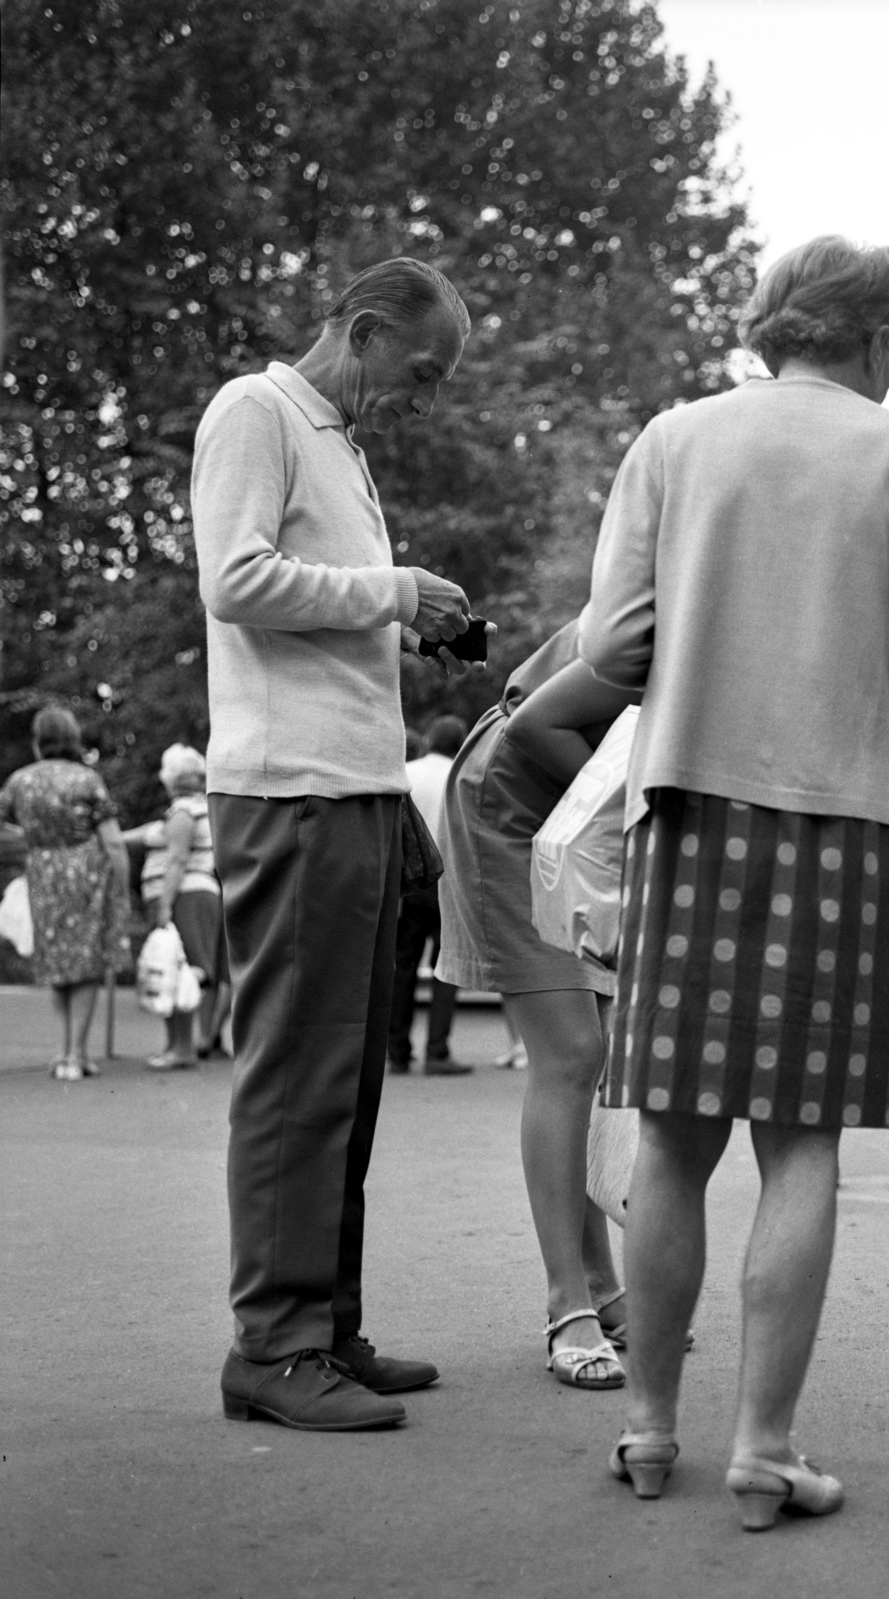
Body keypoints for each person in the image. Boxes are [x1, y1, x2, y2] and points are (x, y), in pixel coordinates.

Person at [581, 235, 889, 1522]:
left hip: (689, 806)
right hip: (841, 824)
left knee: (673, 1135)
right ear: (873, 341)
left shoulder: (674, 441)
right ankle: (762, 1446)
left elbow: (612, 641)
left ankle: (650, 1431)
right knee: (802, 1142)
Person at [193, 255, 482, 1432]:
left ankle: (324, 1326)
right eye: (421, 371)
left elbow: (313, 602)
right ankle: (273, 1344)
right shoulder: (255, 411)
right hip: (293, 791)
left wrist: (402, 624)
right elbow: (236, 580)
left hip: (354, 789)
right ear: (360, 332)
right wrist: (395, 591)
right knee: (299, 1078)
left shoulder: (338, 443)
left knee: (347, 1080)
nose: (427, 396)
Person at [433, 626, 628, 1391]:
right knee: (572, 1052)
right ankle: (567, 1305)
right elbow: (537, 723)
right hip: (513, 805)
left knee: (597, 1049)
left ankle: (603, 1286)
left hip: (575, 811)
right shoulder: (681, 601)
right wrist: (626, 820)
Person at [0, 707, 130, 1080]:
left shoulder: (19, 781)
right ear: (73, 739)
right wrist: (121, 887)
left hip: (43, 873)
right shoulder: (87, 780)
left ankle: (61, 1052)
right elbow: (114, 843)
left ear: (38, 741)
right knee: (86, 963)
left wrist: (33, 840)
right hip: (86, 873)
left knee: (56, 961)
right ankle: (77, 1054)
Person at [135, 744, 230, 1069]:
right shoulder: (198, 809)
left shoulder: (183, 812)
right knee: (181, 968)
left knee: (181, 968)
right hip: (197, 894)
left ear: (170, 778)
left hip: (184, 896)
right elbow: (149, 835)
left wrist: (164, 904)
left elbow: (177, 860)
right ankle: (179, 1045)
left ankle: (182, 1048)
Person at [390, 714, 469, 1076]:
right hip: (449, 882)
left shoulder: (407, 771)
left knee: (402, 966)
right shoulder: (461, 774)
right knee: (445, 968)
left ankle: (397, 1051)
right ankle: (437, 1052)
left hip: (409, 880)